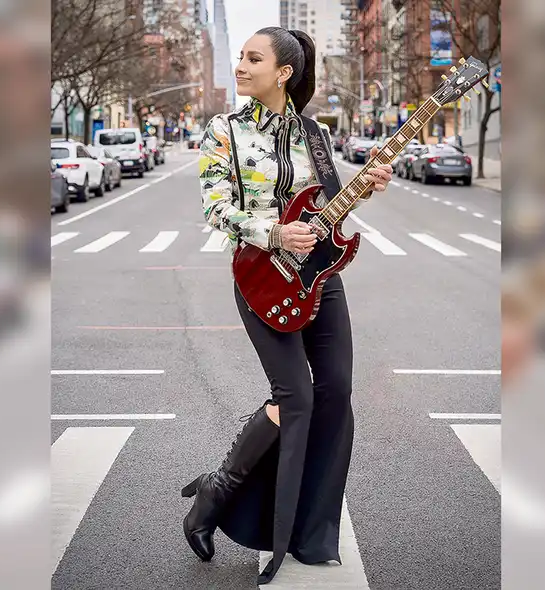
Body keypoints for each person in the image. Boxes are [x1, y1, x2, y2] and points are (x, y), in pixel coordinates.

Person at [183, 27, 394, 585]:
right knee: (295, 397)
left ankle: (310, 530)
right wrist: (273, 232)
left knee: (337, 393)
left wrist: (363, 186)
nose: (241, 66)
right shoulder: (223, 130)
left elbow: (326, 207)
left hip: (319, 278)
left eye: (254, 59)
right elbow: (215, 208)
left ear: (284, 73)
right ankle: (216, 493)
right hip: (259, 277)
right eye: (240, 57)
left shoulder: (316, 134)